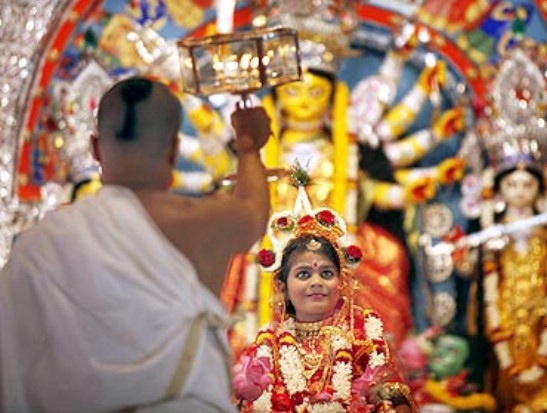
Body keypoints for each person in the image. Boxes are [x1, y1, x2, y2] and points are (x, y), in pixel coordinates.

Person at [0, 76, 271, 412]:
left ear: (96, 149)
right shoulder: (200, 222)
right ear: (173, 150)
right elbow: (254, 212)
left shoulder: (43, 244)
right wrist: (248, 147)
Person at [232, 170, 418, 412]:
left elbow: (389, 390)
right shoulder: (267, 349)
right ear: (282, 286)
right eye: (303, 274)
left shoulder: (364, 340)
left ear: (341, 282)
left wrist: (388, 396)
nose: (316, 282)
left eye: (327, 274)